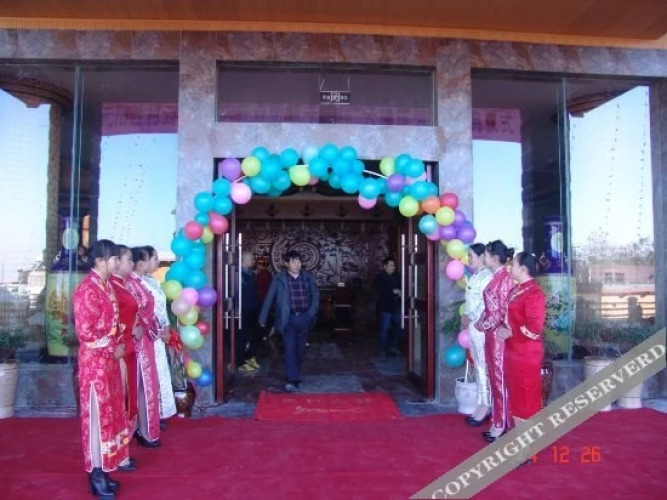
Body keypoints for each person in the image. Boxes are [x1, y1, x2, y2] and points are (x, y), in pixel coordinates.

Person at [72, 239, 129, 497]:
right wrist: (111, 347)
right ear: (100, 261)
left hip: (109, 361)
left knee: (110, 415)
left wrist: (118, 344)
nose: (117, 262)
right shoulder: (87, 289)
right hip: (95, 364)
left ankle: (104, 468)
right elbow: (85, 332)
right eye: (114, 258)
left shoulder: (106, 285)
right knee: (97, 417)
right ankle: (95, 472)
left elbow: (113, 325)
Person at [500, 252, 547, 437]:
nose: (510, 267)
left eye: (514, 264)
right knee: (516, 393)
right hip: (513, 350)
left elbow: (535, 328)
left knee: (526, 395)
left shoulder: (534, 293)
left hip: (526, 352)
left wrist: (511, 332)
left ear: (523, 269)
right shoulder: (517, 289)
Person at [259, 250, 319, 392]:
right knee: (289, 349)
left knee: (300, 350)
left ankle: (295, 372)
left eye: (299, 261)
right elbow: (269, 298)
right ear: (286, 264)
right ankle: (293, 379)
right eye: (293, 261)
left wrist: (310, 313)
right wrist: (263, 318)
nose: (297, 264)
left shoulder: (308, 277)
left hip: (304, 317)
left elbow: (315, 295)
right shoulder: (279, 279)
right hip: (288, 319)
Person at [474, 240, 515, 442]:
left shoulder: (505, 278)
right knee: (494, 378)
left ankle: (503, 423)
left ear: (495, 258)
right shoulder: (496, 277)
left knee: (500, 380)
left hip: (499, 336)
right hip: (491, 335)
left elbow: (503, 311)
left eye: (487, 254)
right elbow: (490, 308)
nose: (485, 257)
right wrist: (482, 321)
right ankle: (499, 420)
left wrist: (485, 324)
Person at [109, 245, 143, 472]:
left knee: (127, 398)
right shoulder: (112, 286)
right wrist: (130, 332)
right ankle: (118, 454)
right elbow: (113, 321)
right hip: (120, 349)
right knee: (121, 399)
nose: (132, 263)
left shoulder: (123, 284)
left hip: (129, 347)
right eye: (128, 259)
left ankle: (123, 450)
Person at [125, 246, 162, 448]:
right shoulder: (129, 283)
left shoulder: (140, 282)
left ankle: (144, 428)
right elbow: (134, 313)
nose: (132, 264)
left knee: (145, 384)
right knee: (140, 384)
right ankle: (140, 429)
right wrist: (148, 326)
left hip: (146, 338)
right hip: (137, 340)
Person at [142, 245, 177, 427]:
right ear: (143, 262)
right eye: (154, 258)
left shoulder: (151, 280)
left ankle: (159, 412)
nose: (158, 261)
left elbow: (161, 309)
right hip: (148, 335)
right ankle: (150, 414)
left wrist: (166, 326)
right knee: (150, 374)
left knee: (159, 372)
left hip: (158, 334)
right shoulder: (137, 283)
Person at [461, 243, 493, 426]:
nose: (468, 259)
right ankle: (481, 403)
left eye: (471, 255)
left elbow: (485, 304)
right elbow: (470, 301)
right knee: (478, 365)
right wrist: (466, 315)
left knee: (483, 366)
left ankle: (486, 405)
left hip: (481, 327)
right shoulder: (474, 276)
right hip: (473, 326)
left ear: (481, 257)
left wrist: (470, 315)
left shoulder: (487, 277)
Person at [237, 251, 262, 373]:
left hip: (253, 308)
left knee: (257, 333)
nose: (253, 261)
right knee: (242, 337)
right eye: (251, 259)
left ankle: (249, 356)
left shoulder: (250, 273)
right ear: (243, 261)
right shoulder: (237, 275)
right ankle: (240, 362)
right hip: (242, 309)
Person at [374, 257, 402, 356]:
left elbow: (402, 287)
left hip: (396, 306)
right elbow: (380, 290)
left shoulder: (397, 276)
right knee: (385, 328)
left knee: (401, 326)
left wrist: (401, 292)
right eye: (391, 266)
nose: (393, 267)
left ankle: (394, 346)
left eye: (394, 266)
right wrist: (392, 291)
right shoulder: (380, 277)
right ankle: (383, 349)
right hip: (385, 307)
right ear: (385, 266)